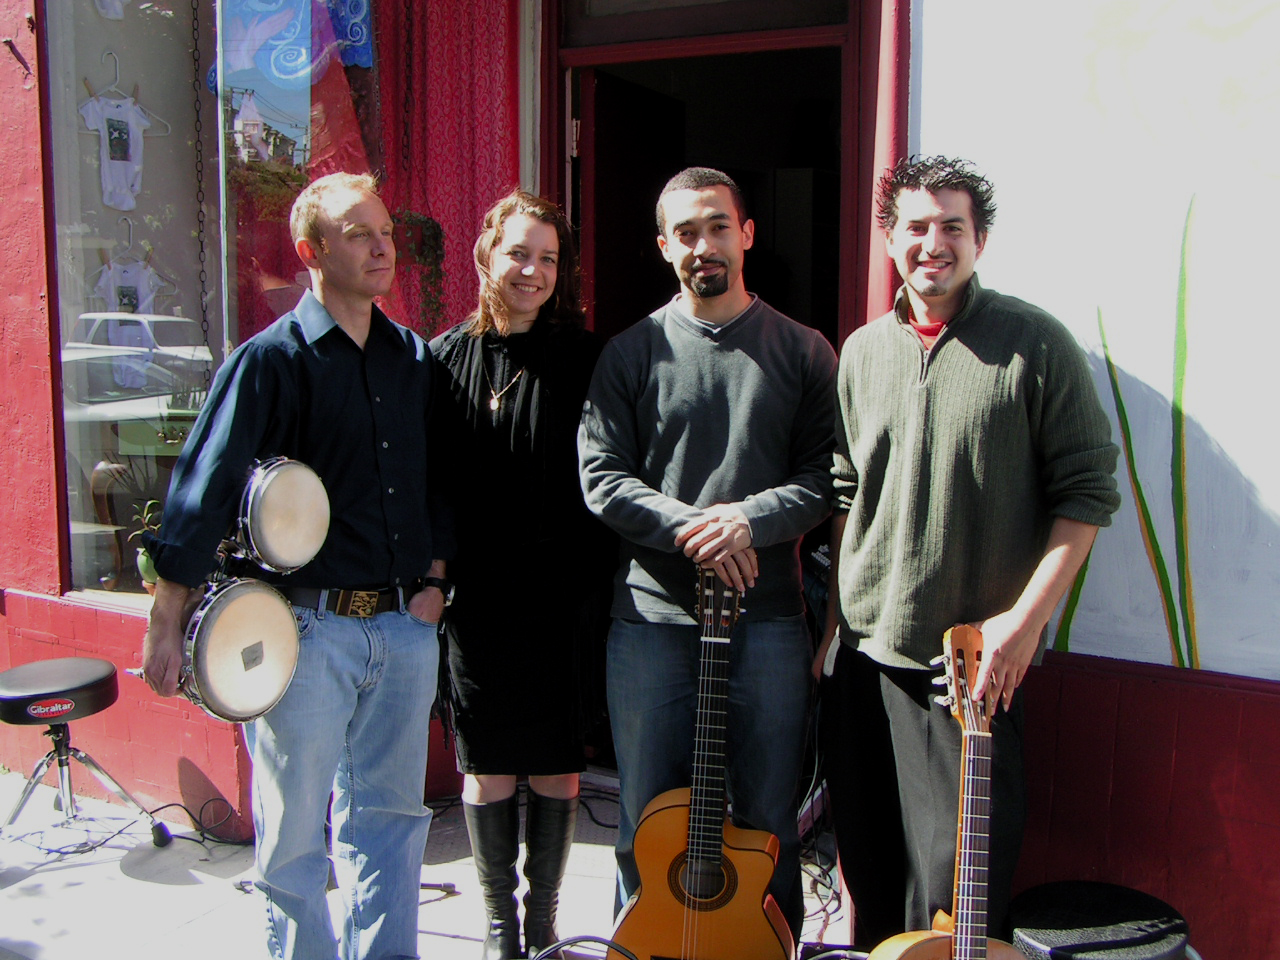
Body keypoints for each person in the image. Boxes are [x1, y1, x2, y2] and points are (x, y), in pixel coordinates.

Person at [139, 172, 454, 960]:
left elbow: (440, 483)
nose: (382, 247)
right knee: (292, 840)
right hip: (302, 632)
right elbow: (204, 488)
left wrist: (435, 586)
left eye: (385, 232)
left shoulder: (413, 359)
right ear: (311, 251)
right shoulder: (269, 361)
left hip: (403, 628)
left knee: (392, 826)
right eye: (358, 233)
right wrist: (166, 618)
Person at [814, 155, 1121, 947]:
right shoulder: (862, 352)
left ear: (979, 241)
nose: (934, 243)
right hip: (865, 663)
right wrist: (834, 629)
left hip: (970, 673)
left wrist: (1024, 622)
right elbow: (847, 492)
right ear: (890, 240)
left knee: (956, 899)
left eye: (953, 226)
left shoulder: (1035, 344)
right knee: (871, 878)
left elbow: (1088, 495)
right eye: (916, 226)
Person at [578, 166, 838, 941]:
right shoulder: (630, 354)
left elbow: (827, 478)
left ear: (746, 233)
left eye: (718, 226)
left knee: (768, 822)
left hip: (768, 622)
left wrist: (747, 522)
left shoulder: (803, 351)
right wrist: (699, 530)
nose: (704, 245)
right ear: (664, 246)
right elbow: (601, 476)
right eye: (686, 233)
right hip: (653, 622)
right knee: (645, 818)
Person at [430, 189, 610, 960]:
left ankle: (543, 925)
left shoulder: (588, 359)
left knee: (559, 768)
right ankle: (501, 929)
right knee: (488, 766)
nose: (532, 270)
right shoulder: (443, 359)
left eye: (547, 258)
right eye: (518, 253)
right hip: (478, 602)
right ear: (486, 256)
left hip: (564, 600)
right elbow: (432, 483)